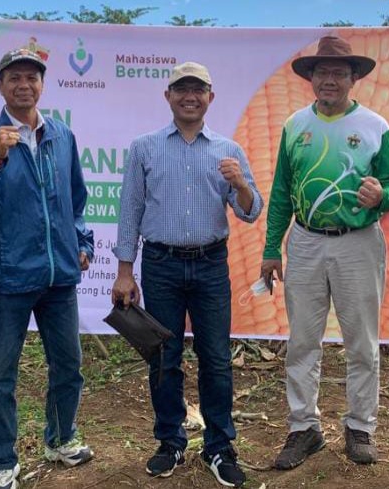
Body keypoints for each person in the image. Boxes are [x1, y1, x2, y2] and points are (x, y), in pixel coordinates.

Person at [111, 61, 263, 488]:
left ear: (210, 97)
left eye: (198, 89)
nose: (189, 96)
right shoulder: (145, 147)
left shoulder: (227, 151)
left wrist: (241, 184)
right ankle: (170, 441)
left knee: (215, 358)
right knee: (164, 357)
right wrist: (125, 270)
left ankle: (219, 445)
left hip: (212, 263)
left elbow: (250, 212)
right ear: (169, 97)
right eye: (181, 89)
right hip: (160, 264)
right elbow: (130, 210)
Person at [260, 35, 389, 470]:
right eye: (321, 72)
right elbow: (283, 191)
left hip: (358, 242)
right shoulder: (294, 126)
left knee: (361, 341)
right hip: (304, 241)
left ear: (353, 78)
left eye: (338, 73)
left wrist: (382, 194)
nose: (329, 80)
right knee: (303, 340)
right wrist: (271, 248)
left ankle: (360, 426)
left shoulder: (376, 127)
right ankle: (303, 427)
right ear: (311, 78)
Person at [0, 48, 95, 489]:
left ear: (42, 84)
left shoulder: (62, 136)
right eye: (14, 77)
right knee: (3, 375)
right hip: (9, 278)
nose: (24, 84)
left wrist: (83, 241)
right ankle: (1, 461)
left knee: (68, 365)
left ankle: (60, 438)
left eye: (31, 77)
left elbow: (76, 200)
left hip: (58, 278)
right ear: (0, 86)